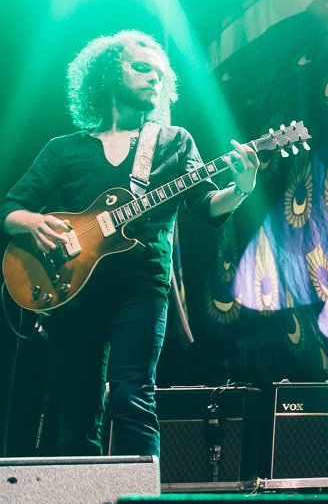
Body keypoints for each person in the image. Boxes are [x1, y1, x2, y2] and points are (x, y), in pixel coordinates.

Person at [0, 30, 259, 457]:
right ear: (106, 73)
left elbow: (206, 206)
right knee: (76, 414)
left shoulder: (174, 141)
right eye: (141, 67)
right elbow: (10, 206)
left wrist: (242, 188)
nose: (153, 78)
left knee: (133, 397)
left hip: (140, 286)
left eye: (159, 73)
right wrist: (32, 222)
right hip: (71, 290)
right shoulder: (64, 149)